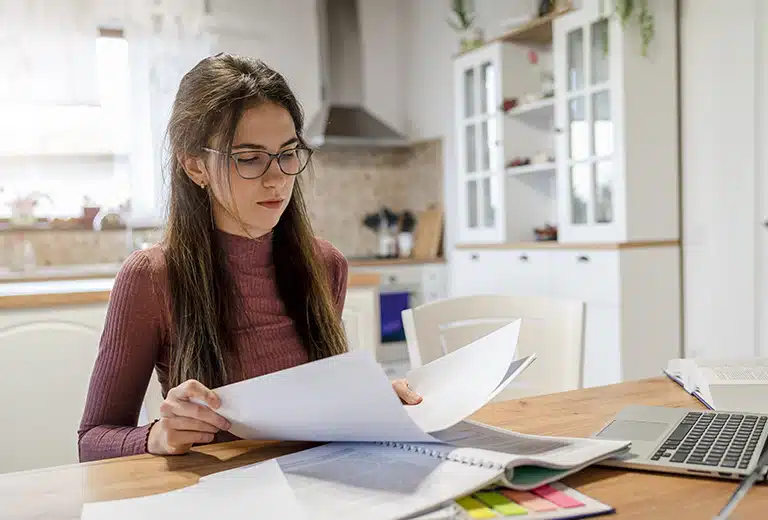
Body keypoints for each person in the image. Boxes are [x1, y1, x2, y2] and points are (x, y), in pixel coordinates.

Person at [77, 53, 422, 462]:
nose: (277, 178)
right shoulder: (152, 277)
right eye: (249, 158)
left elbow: (317, 407)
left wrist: (374, 402)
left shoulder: (325, 263)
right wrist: (156, 436)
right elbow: (92, 442)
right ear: (195, 166)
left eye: (288, 153)